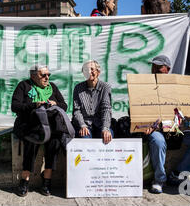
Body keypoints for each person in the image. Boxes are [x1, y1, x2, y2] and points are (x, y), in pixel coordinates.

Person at [145, 55, 190, 194]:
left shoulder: (177, 87)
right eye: (153, 66)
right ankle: (159, 180)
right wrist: (145, 124)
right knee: (157, 141)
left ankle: (178, 175)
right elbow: (135, 108)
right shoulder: (144, 85)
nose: (155, 69)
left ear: (167, 69)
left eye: (159, 66)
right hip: (157, 129)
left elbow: (187, 110)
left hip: (177, 129)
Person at [11, 65, 69, 197]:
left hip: (50, 125)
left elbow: (64, 106)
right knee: (33, 139)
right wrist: (35, 105)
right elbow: (15, 106)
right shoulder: (24, 86)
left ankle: (46, 180)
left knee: (55, 141)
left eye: (48, 74)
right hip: (30, 124)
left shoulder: (52, 87)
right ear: (33, 76)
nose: (47, 77)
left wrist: (55, 104)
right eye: (43, 75)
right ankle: (25, 180)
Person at [72, 60, 114, 144]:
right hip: (85, 124)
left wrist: (105, 128)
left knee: (108, 137)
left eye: (92, 69)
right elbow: (77, 110)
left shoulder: (105, 87)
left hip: (100, 124)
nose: (89, 72)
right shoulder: (78, 88)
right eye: (86, 70)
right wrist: (82, 125)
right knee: (85, 139)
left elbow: (106, 109)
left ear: (98, 72)